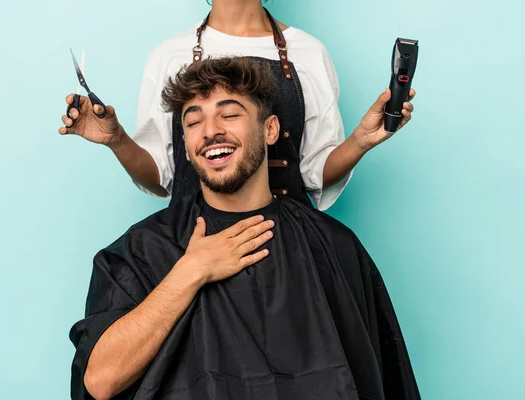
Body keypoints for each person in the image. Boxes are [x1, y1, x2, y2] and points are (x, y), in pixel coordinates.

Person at [69, 57, 420, 400]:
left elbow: (382, 380)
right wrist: (191, 272)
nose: (210, 131)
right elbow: (100, 381)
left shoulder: (333, 246)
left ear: (269, 130)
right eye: (193, 122)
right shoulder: (142, 250)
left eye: (230, 114)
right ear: (186, 150)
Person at [58, 0, 415, 210]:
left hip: (290, 244)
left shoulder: (309, 52)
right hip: (193, 247)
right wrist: (117, 139)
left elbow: (314, 172)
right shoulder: (169, 55)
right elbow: (161, 178)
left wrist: (362, 141)